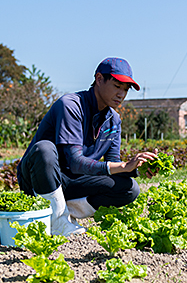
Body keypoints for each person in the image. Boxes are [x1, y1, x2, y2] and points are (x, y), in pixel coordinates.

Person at [17, 57, 158, 236]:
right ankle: (57, 221)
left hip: (72, 181)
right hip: (39, 180)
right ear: (99, 79)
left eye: (125, 89)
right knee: (45, 148)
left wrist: (138, 167)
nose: (121, 94)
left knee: (129, 188)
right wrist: (123, 166)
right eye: (117, 86)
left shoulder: (113, 120)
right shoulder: (71, 105)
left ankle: (60, 211)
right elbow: (75, 162)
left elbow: (112, 163)